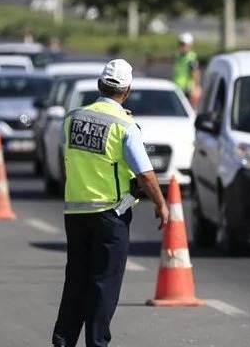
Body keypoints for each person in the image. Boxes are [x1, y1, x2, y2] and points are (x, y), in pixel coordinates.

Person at [51, 58, 170, 347]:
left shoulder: (72, 118)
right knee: (103, 286)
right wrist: (161, 204)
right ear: (127, 90)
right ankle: (97, 344)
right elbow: (145, 173)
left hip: (75, 213)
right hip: (109, 215)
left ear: (99, 86)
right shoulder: (125, 125)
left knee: (76, 283)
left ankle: (63, 341)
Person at [171, 32, 201, 108]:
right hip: (177, 87)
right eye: (181, 44)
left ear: (190, 45)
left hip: (187, 90)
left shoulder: (191, 57)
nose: (182, 47)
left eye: (184, 45)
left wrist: (196, 87)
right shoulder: (178, 56)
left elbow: (195, 73)